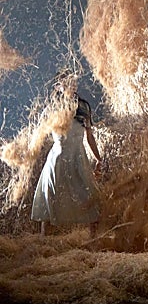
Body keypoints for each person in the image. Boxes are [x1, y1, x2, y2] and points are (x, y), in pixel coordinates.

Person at [31, 82, 103, 237]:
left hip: (78, 157)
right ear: (58, 87)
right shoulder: (53, 108)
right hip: (58, 158)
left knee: (90, 196)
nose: (70, 85)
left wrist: (98, 158)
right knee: (51, 196)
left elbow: (90, 136)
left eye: (72, 82)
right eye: (65, 84)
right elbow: (41, 134)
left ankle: (94, 239)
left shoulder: (83, 107)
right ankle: (43, 240)